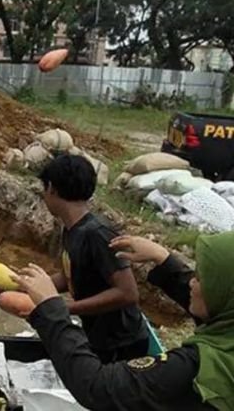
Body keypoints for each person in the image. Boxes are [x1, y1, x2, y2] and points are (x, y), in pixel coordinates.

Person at [12, 231, 234, 411]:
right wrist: (165, 261)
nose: (192, 283)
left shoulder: (197, 369)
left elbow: (97, 387)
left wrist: (52, 310)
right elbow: (220, 310)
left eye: (204, 279)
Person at [36, 154, 149, 363]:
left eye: (44, 189)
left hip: (122, 344)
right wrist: (33, 288)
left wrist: (66, 308)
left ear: (51, 188)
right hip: (99, 336)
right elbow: (71, 274)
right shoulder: (71, 229)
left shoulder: (97, 233)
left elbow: (128, 293)